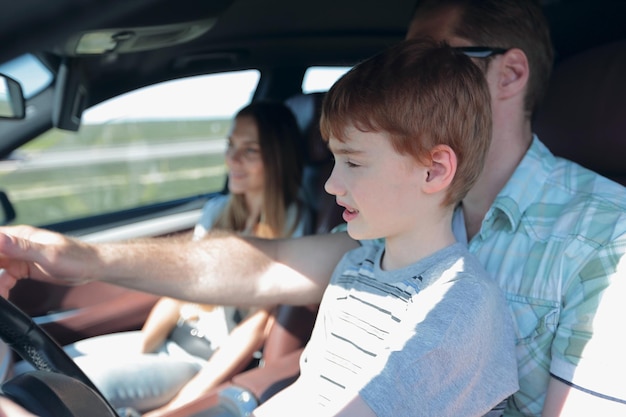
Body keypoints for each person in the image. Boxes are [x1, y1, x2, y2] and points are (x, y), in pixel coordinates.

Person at [1, 0, 626, 415]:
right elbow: (262, 265)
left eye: (432, 61)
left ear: (510, 74)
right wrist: (82, 256)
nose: (404, 78)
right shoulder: (390, 235)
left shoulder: (605, 242)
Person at [11, 100, 314, 416]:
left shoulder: (295, 228)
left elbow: (253, 330)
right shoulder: (217, 211)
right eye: (230, 145)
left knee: (55, 395)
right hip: (171, 339)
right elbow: (178, 294)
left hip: (201, 360)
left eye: (250, 150)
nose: (232, 158)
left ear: (278, 157)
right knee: (36, 370)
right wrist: (143, 350)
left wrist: (175, 408)